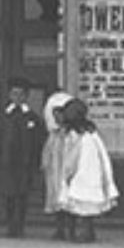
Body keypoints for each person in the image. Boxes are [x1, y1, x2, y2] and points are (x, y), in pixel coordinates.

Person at [58, 98, 118, 243]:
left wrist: (66, 173)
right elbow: (102, 154)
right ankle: (88, 231)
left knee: (75, 204)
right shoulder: (92, 133)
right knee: (88, 207)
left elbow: (71, 157)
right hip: (93, 173)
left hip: (79, 173)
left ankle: (73, 232)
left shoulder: (72, 134)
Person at [0, 77, 46, 238]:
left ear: (26, 96)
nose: (17, 97)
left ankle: (19, 225)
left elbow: (37, 141)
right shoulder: (4, 116)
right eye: (14, 93)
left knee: (21, 196)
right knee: (8, 195)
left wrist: (35, 162)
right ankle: (10, 224)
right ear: (9, 95)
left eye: (21, 94)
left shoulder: (32, 118)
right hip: (6, 162)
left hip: (24, 163)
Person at [40, 91, 74, 239]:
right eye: (55, 115)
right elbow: (48, 151)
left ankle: (71, 229)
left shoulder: (72, 134)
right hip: (55, 170)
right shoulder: (53, 134)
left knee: (69, 198)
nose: (57, 118)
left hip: (67, 170)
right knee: (56, 197)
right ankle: (59, 228)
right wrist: (45, 164)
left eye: (60, 114)